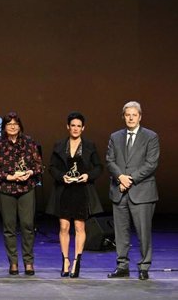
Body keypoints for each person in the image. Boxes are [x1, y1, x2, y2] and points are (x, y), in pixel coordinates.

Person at [45, 112, 103, 278]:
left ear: (83, 128)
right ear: (68, 127)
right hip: (64, 190)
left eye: (79, 126)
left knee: (79, 227)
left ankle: (77, 260)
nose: (76, 128)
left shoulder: (90, 146)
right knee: (64, 227)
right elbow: (52, 167)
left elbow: (98, 167)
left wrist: (88, 176)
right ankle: (65, 260)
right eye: (73, 125)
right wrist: (61, 176)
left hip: (81, 191)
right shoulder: (59, 145)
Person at [106, 101, 160, 281]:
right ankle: (122, 266)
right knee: (121, 233)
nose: (130, 118)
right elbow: (110, 160)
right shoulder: (115, 137)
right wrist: (120, 177)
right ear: (123, 116)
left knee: (143, 232)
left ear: (140, 117)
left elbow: (151, 164)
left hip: (142, 192)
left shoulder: (151, 137)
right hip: (119, 191)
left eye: (134, 115)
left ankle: (144, 266)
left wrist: (129, 179)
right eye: (127, 115)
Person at [0, 111, 42, 276]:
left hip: (26, 188)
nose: (13, 127)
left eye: (15, 124)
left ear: (20, 126)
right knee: (9, 227)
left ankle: (28, 262)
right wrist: (10, 176)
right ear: (4, 127)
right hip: (6, 190)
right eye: (9, 124)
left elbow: (39, 165)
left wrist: (30, 172)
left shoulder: (29, 142)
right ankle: (13, 262)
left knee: (27, 225)